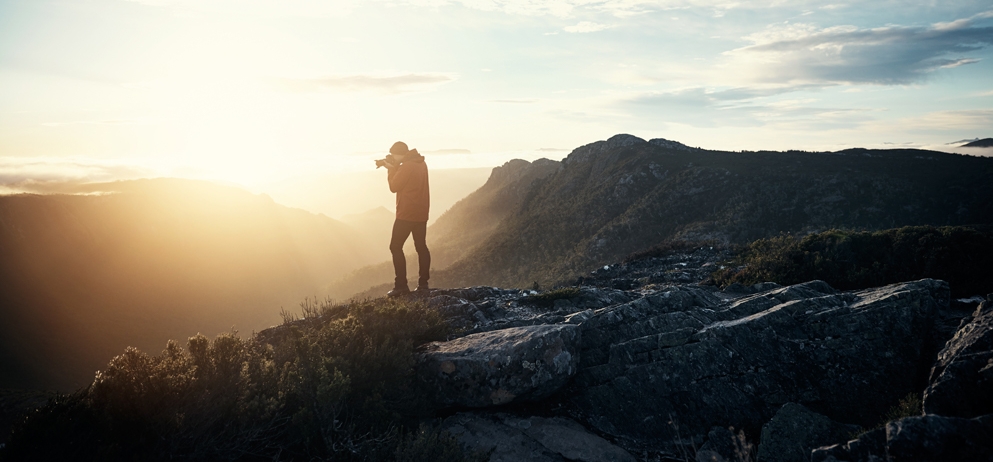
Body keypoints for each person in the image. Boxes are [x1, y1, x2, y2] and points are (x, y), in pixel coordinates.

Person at [381, 141, 430, 297]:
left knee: (395, 246)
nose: (394, 157)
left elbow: (394, 187)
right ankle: (423, 284)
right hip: (421, 213)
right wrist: (396, 166)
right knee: (421, 247)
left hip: (407, 214)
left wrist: (390, 169)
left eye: (394, 155)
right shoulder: (421, 163)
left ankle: (401, 285)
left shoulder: (407, 166)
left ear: (400, 153)